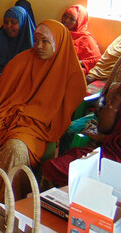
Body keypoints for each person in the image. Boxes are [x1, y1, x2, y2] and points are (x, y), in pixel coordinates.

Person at [0, 20, 86, 201]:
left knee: (16, 149)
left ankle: (4, 200)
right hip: (5, 114)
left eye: (45, 41)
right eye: (36, 40)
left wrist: (30, 114)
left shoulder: (71, 74)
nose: (38, 46)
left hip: (37, 127)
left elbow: (60, 114)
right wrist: (9, 112)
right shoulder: (23, 60)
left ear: (58, 44)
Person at [43, 56, 121, 186]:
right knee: (56, 166)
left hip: (115, 160)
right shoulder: (117, 85)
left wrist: (103, 138)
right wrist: (116, 99)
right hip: (108, 152)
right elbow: (104, 127)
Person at [0, 5, 35, 77]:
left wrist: (2, 77)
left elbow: (26, 75)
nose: (8, 26)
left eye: (13, 22)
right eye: (6, 22)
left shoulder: (31, 47)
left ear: (22, 23)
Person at [61, 4, 102, 75]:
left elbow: (96, 60)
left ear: (79, 22)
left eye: (72, 19)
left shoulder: (85, 38)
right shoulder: (60, 32)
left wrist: (79, 63)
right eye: (65, 16)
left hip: (73, 69)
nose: (66, 20)